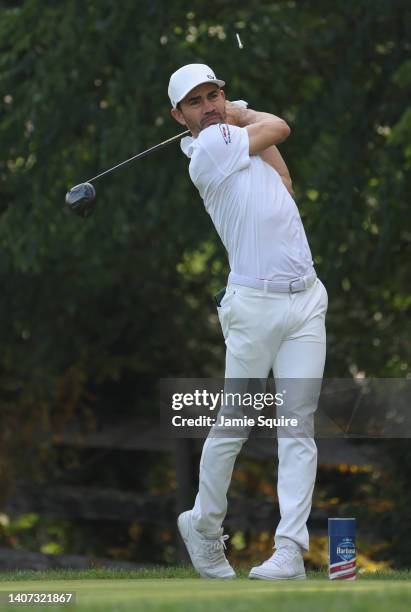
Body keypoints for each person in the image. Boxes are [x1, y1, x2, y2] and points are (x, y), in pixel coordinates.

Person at [168, 64, 328, 580]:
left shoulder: (235, 139)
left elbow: (283, 177)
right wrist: (242, 112)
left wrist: (241, 117)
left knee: (297, 428)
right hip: (253, 307)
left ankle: (289, 553)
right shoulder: (212, 146)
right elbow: (279, 127)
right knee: (234, 424)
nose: (209, 105)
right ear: (179, 116)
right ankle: (204, 525)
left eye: (214, 94)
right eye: (196, 101)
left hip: (305, 300)